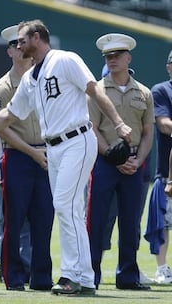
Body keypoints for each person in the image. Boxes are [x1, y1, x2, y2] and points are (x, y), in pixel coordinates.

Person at [0, 19, 132, 295]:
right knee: (71, 209)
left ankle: (72, 275)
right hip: (54, 148)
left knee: (64, 205)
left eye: (21, 40)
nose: (17, 45)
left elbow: (94, 88)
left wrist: (119, 122)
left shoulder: (65, 59)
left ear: (37, 37)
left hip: (77, 139)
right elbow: (9, 115)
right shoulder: (30, 78)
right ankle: (84, 278)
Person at [86, 33, 154, 291]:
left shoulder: (144, 93)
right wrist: (112, 157)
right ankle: (90, 276)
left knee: (130, 222)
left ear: (129, 58)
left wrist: (138, 160)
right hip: (104, 162)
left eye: (116, 55)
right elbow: (92, 128)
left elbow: (148, 132)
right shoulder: (97, 90)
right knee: (97, 220)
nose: (112, 60)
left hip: (135, 162)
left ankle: (128, 277)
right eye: (108, 56)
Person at [0, 25, 54, 291]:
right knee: (13, 222)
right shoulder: (3, 88)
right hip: (18, 156)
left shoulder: (42, 79)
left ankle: (41, 278)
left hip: (45, 154)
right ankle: (13, 277)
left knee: (44, 219)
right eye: (16, 45)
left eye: (22, 43)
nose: (21, 49)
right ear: (10, 52)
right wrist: (32, 152)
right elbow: (0, 127)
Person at [0, 105, 32, 284]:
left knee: (34, 220)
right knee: (7, 219)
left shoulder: (39, 88)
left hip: (37, 162)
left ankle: (28, 267)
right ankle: (5, 266)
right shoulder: (5, 89)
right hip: (12, 160)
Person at [144, 50, 172, 284]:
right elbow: (164, 125)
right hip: (168, 171)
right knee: (163, 223)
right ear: (169, 67)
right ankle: (162, 268)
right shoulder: (161, 90)